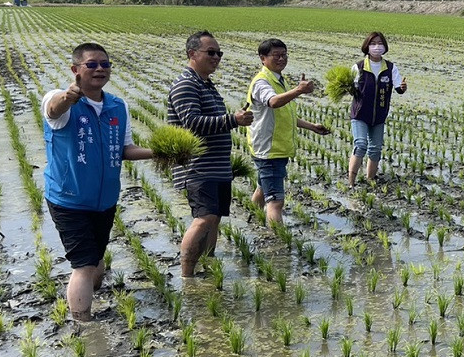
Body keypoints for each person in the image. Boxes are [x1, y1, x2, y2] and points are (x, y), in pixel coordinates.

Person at [43, 43, 153, 321]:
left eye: (105, 64)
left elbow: (124, 149)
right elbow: (54, 111)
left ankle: (89, 295)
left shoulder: (118, 105)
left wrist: (161, 152)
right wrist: (69, 98)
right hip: (69, 198)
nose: (100, 69)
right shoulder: (59, 99)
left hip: (105, 199)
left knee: (96, 258)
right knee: (83, 264)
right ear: (76, 69)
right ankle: (83, 324)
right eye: (91, 64)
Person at [168, 31, 252, 277]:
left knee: (214, 219)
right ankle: (186, 276)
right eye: (211, 52)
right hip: (197, 166)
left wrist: (231, 120)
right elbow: (192, 123)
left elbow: (211, 120)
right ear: (192, 54)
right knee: (204, 218)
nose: (216, 57)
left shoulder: (206, 84)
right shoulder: (186, 84)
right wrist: (232, 120)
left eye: (219, 53)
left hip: (216, 166)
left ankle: (208, 268)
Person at [246, 38, 331, 224]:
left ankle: (252, 222)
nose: (281, 59)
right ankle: (277, 243)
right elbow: (274, 102)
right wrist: (298, 91)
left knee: (263, 188)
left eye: (284, 55)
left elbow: (285, 115)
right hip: (269, 150)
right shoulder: (262, 82)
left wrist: (312, 127)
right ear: (263, 58)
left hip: (274, 148)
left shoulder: (278, 80)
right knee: (275, 201)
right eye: (276, 55)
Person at [347, 31, 407, 184]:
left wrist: (403, 88)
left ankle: (370, 180)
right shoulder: (358, 67)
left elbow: (399, 88)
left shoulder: (390, 68)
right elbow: (350, 88)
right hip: (360, 114)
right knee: (360, 145)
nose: (377, 47)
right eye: (373, 44)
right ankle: (351, 182)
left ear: (385, 47)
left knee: (375, 150)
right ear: (367, 47)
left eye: (380, 44)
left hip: (379, 115)